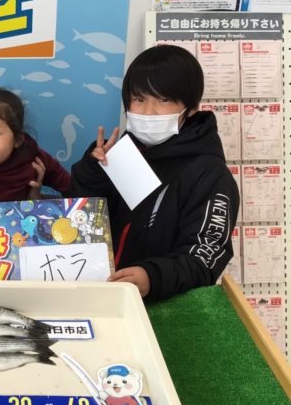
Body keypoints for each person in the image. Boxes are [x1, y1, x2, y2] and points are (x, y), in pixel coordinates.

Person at [67, 44, 239, 302]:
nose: (148, 112)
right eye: (139, 99)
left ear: (191, 108)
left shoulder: (210, 174)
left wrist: (153, 277)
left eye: (163, 100)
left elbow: (206, 254)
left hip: (165, 307)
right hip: (100, 294)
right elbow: (80, 222)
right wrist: (93, 170)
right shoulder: (119, 153)